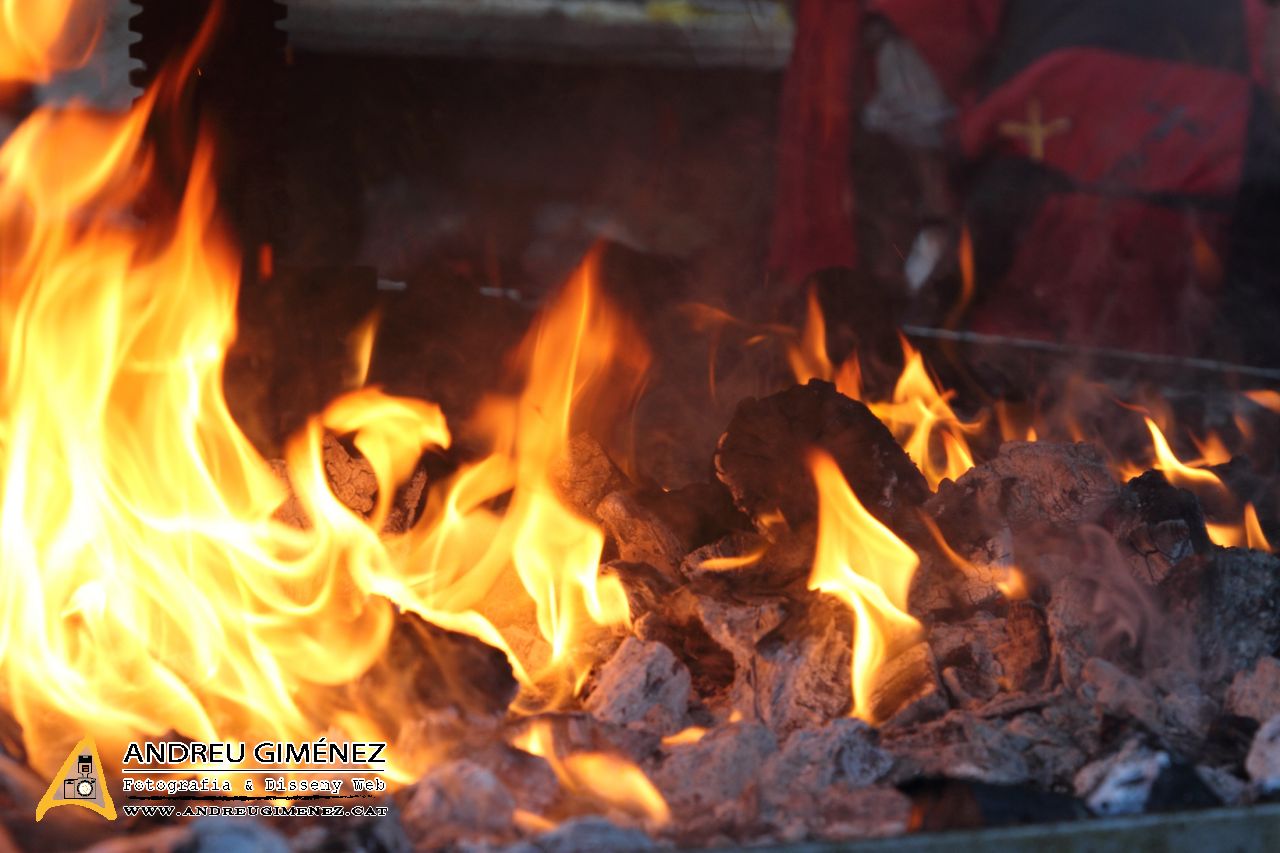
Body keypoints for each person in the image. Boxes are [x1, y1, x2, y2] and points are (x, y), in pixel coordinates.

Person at [770, 0, 1280, 364]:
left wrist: (938, 201)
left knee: (1026, 354)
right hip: (1213, 150)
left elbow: (917, 85)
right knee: (1155, 367)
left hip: (1051, 148)